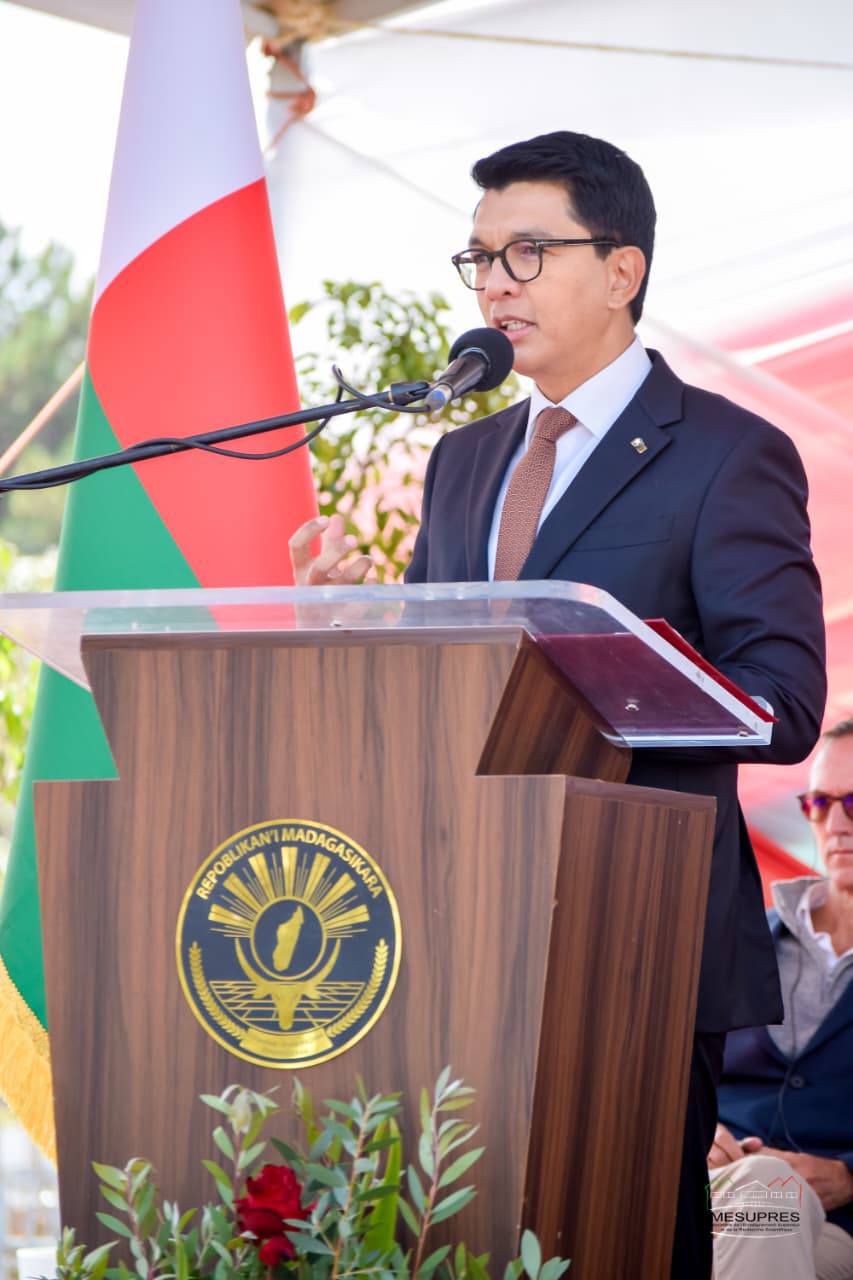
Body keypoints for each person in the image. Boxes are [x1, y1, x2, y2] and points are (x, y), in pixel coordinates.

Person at [289, 131, 827, 1278]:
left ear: (622, 269)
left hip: (634, 927)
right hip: (453, 915)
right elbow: (444, 687)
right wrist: (357, 628)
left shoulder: (727, 455)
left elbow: (781, 702)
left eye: (525, 253)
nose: (494, 285)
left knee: (621, 1241)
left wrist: (601, 663)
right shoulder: (464, 461)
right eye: (479, 258)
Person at [709, 718, 853, 1279]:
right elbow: (666, 1069)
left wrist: (849, 1175)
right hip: (708, 1191)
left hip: (835, 1225)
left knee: (771, 1202)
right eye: (819, 803)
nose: (834, 824)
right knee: (768, 1194)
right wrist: (694, 1131)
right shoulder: (739, 937)